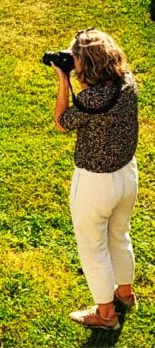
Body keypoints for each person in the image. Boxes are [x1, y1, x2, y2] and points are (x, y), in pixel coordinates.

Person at [50, 28, 139, 330]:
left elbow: (62, 123)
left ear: (84, 64)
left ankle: (105, 314)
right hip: (127, 175)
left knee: (93, 246)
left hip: (95, 183)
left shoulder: (91, 99)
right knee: (119, 235)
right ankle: (125, 294)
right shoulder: (128, 82)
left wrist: (63, 80)